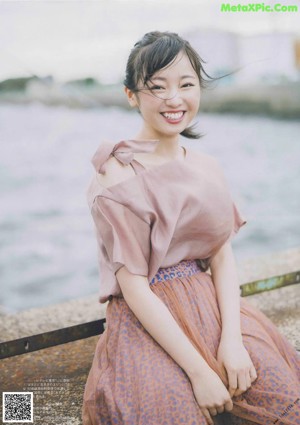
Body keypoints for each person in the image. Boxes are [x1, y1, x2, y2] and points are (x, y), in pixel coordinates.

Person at [82, 31, 300, 425]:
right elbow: (132, 286)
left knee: (282, 393)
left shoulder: (206, 167)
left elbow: (221, 253)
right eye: (157, 86)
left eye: (186, 84)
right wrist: (199, 371)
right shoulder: (115, 176)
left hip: (213, 307)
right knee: (172, 410)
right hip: (147, 317)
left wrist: (231, 341)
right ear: (131, 94)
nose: (174, 98)